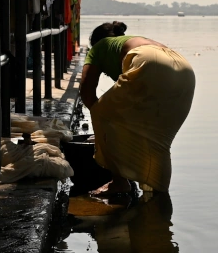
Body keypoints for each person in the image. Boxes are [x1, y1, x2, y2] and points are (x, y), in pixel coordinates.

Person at [81, 22, 196, 196]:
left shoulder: (99, 47)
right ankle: (158, 195)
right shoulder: (131, 41)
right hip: (184, 70)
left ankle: (119, 182)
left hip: (149, 62)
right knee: (159, 141)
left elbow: (86, 92)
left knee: (106, 117)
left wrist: (104, 122)